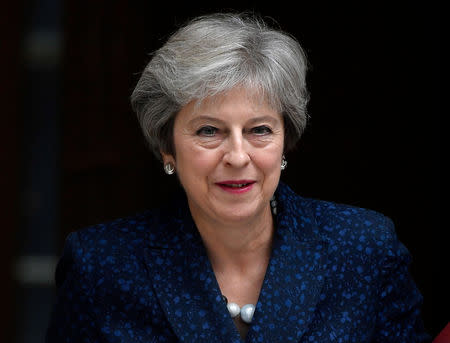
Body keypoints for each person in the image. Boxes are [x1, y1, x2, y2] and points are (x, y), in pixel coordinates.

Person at [46, 13, 430, 342]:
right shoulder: (102, 266)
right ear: (168, 147)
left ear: (285, 140)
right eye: (208, 131)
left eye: (259, 129)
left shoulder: (364, 250)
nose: (237, 156)